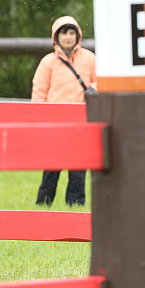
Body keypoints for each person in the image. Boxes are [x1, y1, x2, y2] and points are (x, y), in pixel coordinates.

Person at [32, 15, 96, 206]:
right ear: (56, 37)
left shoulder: (90, 59)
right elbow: (39, 92)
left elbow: (101, 81)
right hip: (55, 124)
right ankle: (44, 204)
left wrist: (94, 87)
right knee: (51, 168)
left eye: (71, 33)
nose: (68, 37)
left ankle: (75, 206)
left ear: (78, 36)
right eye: (63, 33)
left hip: (82, 123)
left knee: (78, 170)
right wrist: (39, 122)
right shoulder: (48, 62)